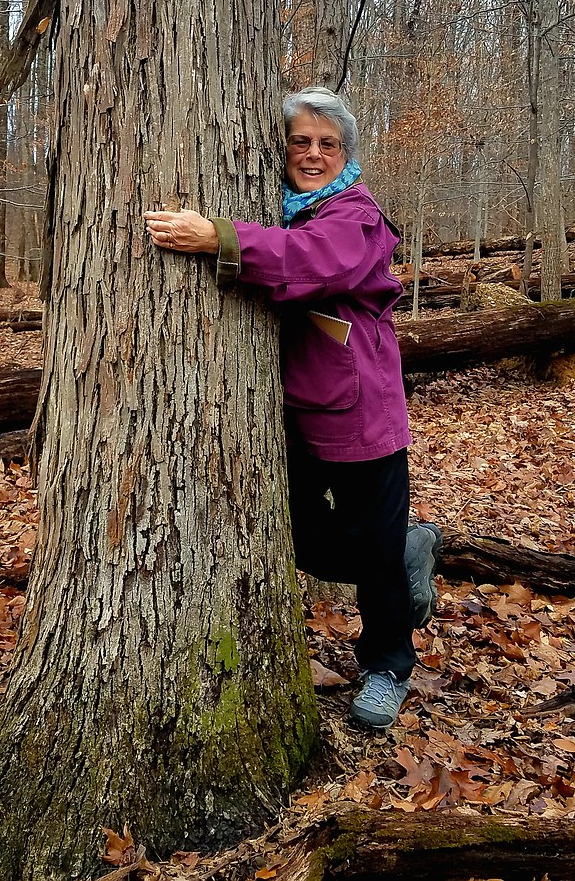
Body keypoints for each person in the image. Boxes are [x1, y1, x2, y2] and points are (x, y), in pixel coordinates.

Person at [144, 86, 442, 729]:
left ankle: (388, 664)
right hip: (298, 407)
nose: (312, 154)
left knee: (375, 546)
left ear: (347, 155)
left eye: (327, 145)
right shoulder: (288, 209)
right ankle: (406, 552)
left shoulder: (353, 215)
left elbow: (313, 264)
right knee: (296, 534)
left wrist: (216, 237)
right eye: (299, 141)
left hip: (363, 409)